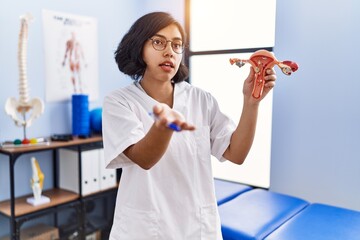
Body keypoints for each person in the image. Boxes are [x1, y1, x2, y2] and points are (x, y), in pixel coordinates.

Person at [102, 11, 276, 240]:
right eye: (158, 42)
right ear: (138, 47)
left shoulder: (201, 99)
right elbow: (144, 158)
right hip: (144, 230)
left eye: (177, 45)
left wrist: (251, 103)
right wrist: (165, 126)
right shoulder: (120, 102)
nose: (169, 51)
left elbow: (236, 153)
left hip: (198, 228)